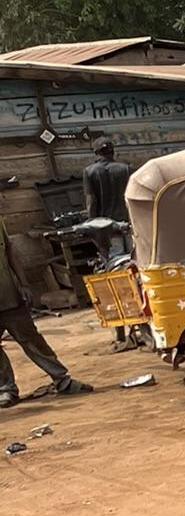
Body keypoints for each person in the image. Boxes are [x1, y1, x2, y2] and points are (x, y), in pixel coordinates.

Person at [0, 235, 91, 408]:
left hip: (11, 297)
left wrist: (24, 284)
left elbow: (10, 252)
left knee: (33, 341)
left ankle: (62, 381)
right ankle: (6, 389)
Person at [81, 137, 131, 223]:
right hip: (124, 221)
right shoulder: (126, 169)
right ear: (112, 152)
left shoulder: (89, 171)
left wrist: (91, 222)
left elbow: (91, 201)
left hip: (103, 224)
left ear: (96, 153)